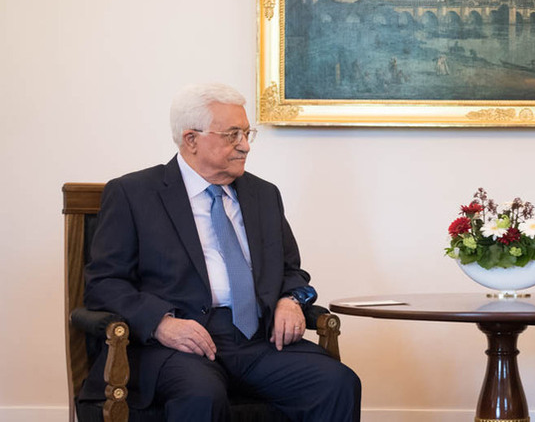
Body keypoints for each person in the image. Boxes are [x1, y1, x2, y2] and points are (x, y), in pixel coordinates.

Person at [80, 83, 361, 421]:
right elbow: (105, 282)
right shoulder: (133, 193)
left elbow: (290, 270)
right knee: (201, 394)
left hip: (257, 340)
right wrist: (160, 324)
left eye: (246, 133)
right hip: (176, 344)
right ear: (191, 139)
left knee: (337, 382)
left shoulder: (263, 194)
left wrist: (290, 300)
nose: (244, 146)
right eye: (231, 135)